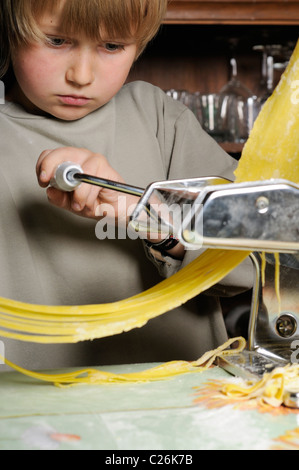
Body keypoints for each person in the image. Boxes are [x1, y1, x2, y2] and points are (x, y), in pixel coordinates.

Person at [0, 0, 253, 371]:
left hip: (179, 394)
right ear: (10, 30)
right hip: (28, 409)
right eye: (56, 41)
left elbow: (246, 266)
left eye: (112, 46)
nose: (82, 75)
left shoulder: (160, 120)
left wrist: (145, 216)